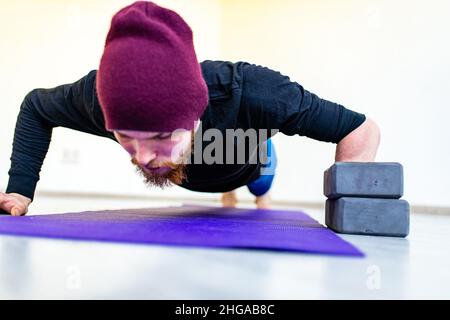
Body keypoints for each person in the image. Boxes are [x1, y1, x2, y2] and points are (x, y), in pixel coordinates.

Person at [0, 1, 380, 216]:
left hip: (246, 155)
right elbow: (36, 107)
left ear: (196, 110)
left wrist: (352, 215)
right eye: (126, 139)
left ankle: (255, 185)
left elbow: (360, 130)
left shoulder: (257, 93)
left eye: (162, 136)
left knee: (260, 183)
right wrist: (19, 192)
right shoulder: (100, 99)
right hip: (199, 166)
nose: (144, 157)